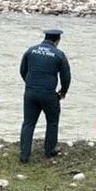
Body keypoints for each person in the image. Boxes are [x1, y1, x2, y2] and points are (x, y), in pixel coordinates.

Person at [19, 28, 71, 163]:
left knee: (28, 123)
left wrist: (30, 84)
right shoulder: (59, 54)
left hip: (30, 92)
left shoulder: (31, 50)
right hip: (49, 94)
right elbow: (66, 76)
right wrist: (63, 91)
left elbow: (22, 70)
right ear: (57, 40)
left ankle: (24, 155)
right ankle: (49, 150)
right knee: (52, 121)